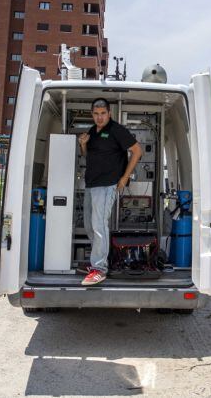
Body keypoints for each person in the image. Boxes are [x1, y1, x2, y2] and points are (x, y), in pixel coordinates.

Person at [79, 98, 142, 285]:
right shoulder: (92, 131)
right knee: (90, 226)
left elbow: (137, 151)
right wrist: (83, 144)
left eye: (103, 113)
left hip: (108, 185)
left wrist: (123, 178)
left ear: (109, 113)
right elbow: (87, 155)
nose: (99, 117)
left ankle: (99, 269)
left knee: (99, 225)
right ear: (92, 114)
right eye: (96, 114)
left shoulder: (116, 130)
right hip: (91, 185)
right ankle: (96, 262)